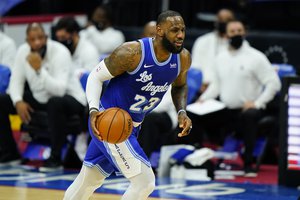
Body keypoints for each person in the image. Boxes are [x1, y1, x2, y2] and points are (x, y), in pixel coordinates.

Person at [64, 10, 192, 200]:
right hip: (109, 122)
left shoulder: (182, 58)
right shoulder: (132, 53)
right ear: (159, 31)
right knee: (145, 182)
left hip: (133, 126)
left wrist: (181, 111)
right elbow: (95, 76)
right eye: (174, 30)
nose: (180, 35)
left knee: (88, 181)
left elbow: (180, 86)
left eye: (182, 29)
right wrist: (93, 110)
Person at [195, 20, 281, 177]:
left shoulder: (256, 57)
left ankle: (248, 164)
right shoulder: (220, 57)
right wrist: (204, 99)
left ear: (245, 32)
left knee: (249, 116)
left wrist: (257, 103)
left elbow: (274, 84)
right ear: (226, 35)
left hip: (250, 110)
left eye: (239, 30)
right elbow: (216, 85)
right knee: (194, 114)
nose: (236, 34)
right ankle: (198, 160)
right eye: (232, 31)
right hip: (227, 109)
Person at [0, 23, 87, 171]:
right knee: (2, 101)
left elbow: (59, 90)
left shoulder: (60, 52)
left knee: (54, 102)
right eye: (33, 39)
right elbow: (15, 82)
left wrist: (39, 69)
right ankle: (10, 153)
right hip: (41, 97)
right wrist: (18, 101)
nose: (37, 42)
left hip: (71, 98)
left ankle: (56, 157)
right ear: (27, 41)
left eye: (40, 38)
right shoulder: (22, 52)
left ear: (46, 38)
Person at [191, 8, 235, 92]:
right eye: (221, 19)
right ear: (216, 21)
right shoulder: (203, 41)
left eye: (228, 19)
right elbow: (195, 66)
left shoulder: (240, 44)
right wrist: (202, 82)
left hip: (230, 89)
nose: (224, 22)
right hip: (204, 87)